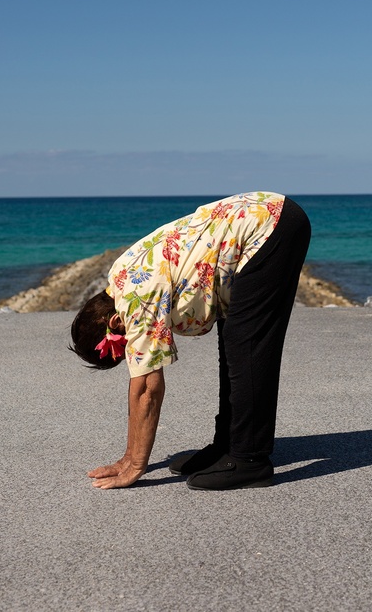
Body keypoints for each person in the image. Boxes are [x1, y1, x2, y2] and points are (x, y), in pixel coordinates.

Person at [70, 190, 311, 491]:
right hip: (263, 218)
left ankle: (250, 460)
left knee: (247, 343)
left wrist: (133, 463)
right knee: (235, 342)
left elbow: (146, 387)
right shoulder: (120, 275)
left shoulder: (133, 301)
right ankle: (228, 445)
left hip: (270, 228)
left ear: (113, 324)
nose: (129, 356)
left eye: (123, 353)